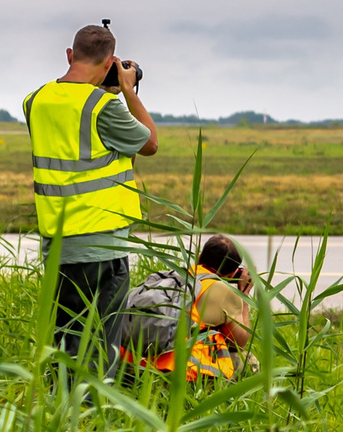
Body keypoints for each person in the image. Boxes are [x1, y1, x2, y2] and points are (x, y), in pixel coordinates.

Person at [24, 23, 158, 375]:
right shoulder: (104, 107)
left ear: (69, 54)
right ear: (110, 62)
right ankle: (92, 407)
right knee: (101, 345)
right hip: (101, 245)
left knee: (67, 342)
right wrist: (128, 92)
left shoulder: (35, 101)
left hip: (58, 244)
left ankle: (60, 404)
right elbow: (149, 144)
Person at [120, 234, 259, 382]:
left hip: (128, 362)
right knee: (249, 361)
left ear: (199, 257)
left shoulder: (170, 276)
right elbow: (240, 343)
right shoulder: (223, 291)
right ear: (233, 273)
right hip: (170, 371)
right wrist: (244, 294)